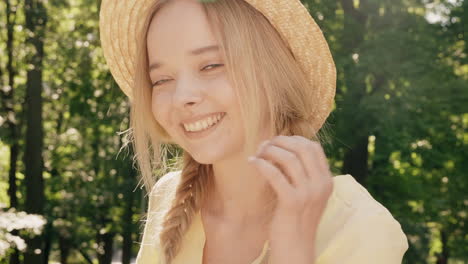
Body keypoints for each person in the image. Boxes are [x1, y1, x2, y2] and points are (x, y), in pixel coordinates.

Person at [99, 0, 409, 263]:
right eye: (161, 80)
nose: (182, 97)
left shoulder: (359, 225)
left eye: (210, 66)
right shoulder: (169, 198)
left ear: (273, 72)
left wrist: (294, 249)